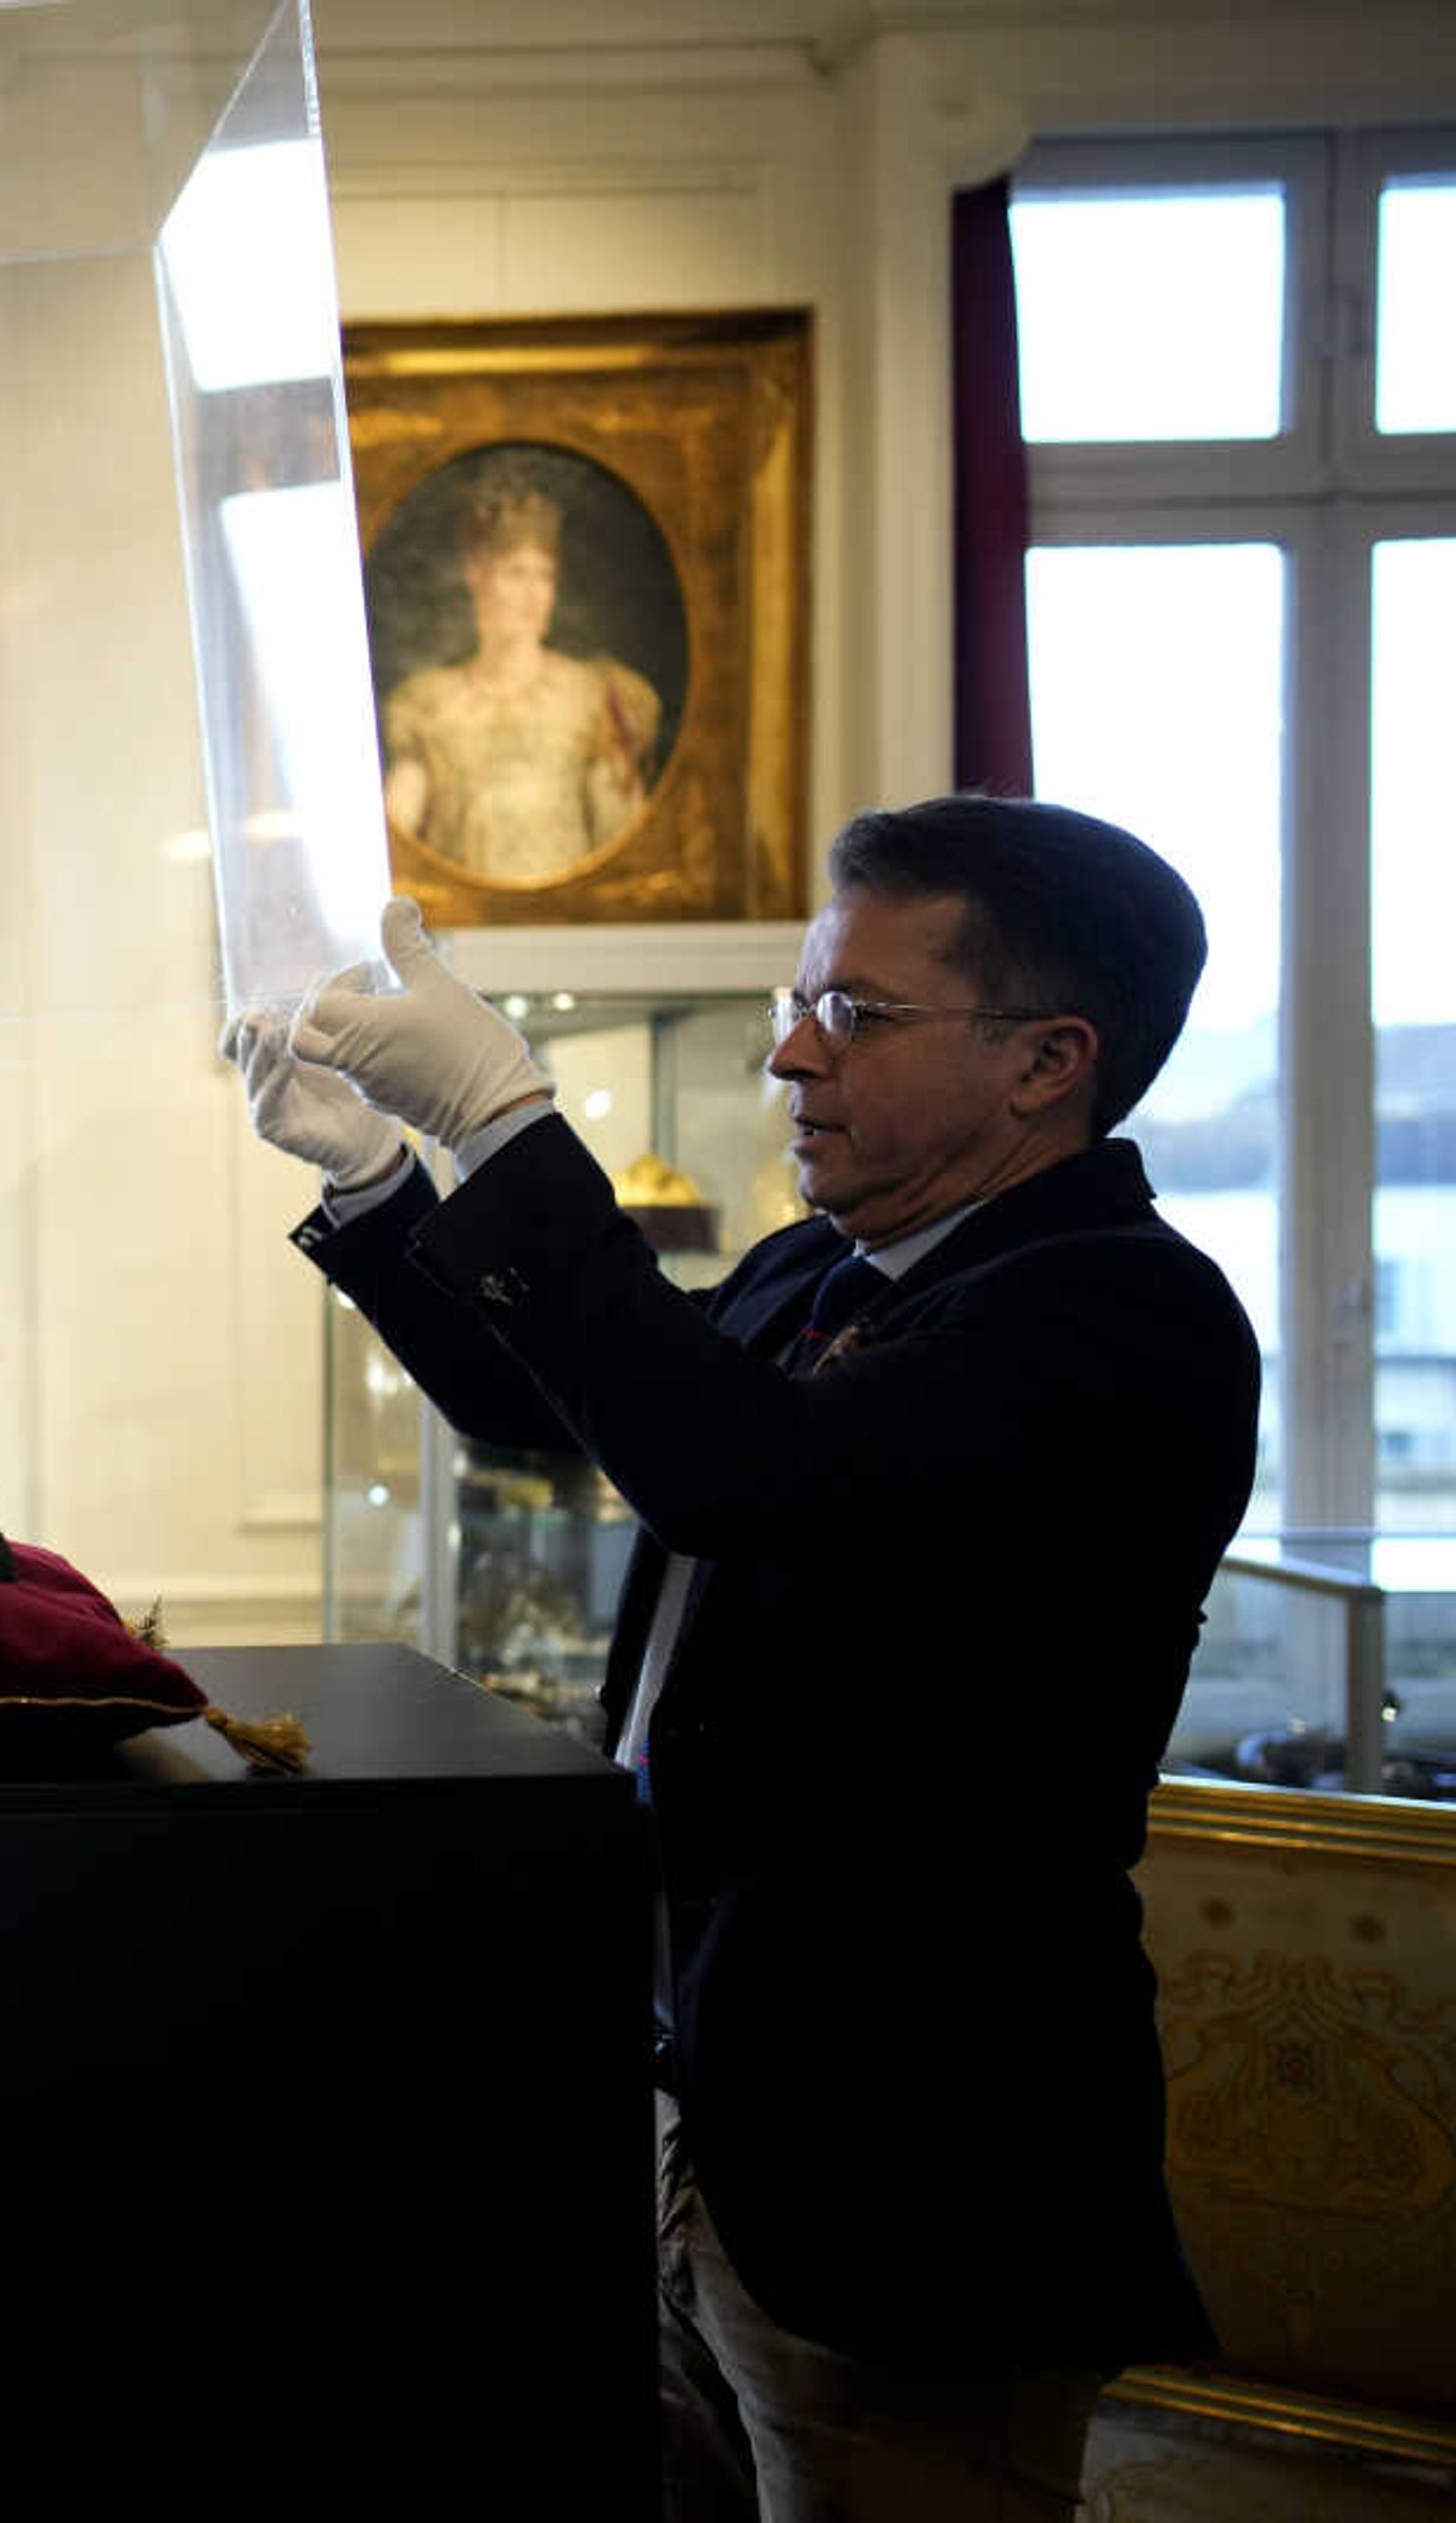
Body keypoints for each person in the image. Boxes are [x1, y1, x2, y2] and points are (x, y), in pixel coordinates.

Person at [229, 797, 1253, 2519]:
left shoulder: (1119, 1312)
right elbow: (543, 1406)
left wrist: (511, 1117)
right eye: (800, 997)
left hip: (921, 2142)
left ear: (1047, 1062)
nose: (791, 1053)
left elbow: (738, 1471)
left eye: (855, 1012)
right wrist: (384, 1181)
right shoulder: (818, 1263)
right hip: (720, 2081)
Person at [378, 480, 664, 884]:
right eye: (515, 574)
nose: (533, 595)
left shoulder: (591, 695)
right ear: (477, 576)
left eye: (544, 576)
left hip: (569, 929)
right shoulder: (430, 703)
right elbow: (395, 832)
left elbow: (622, 840)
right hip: (461, 932)